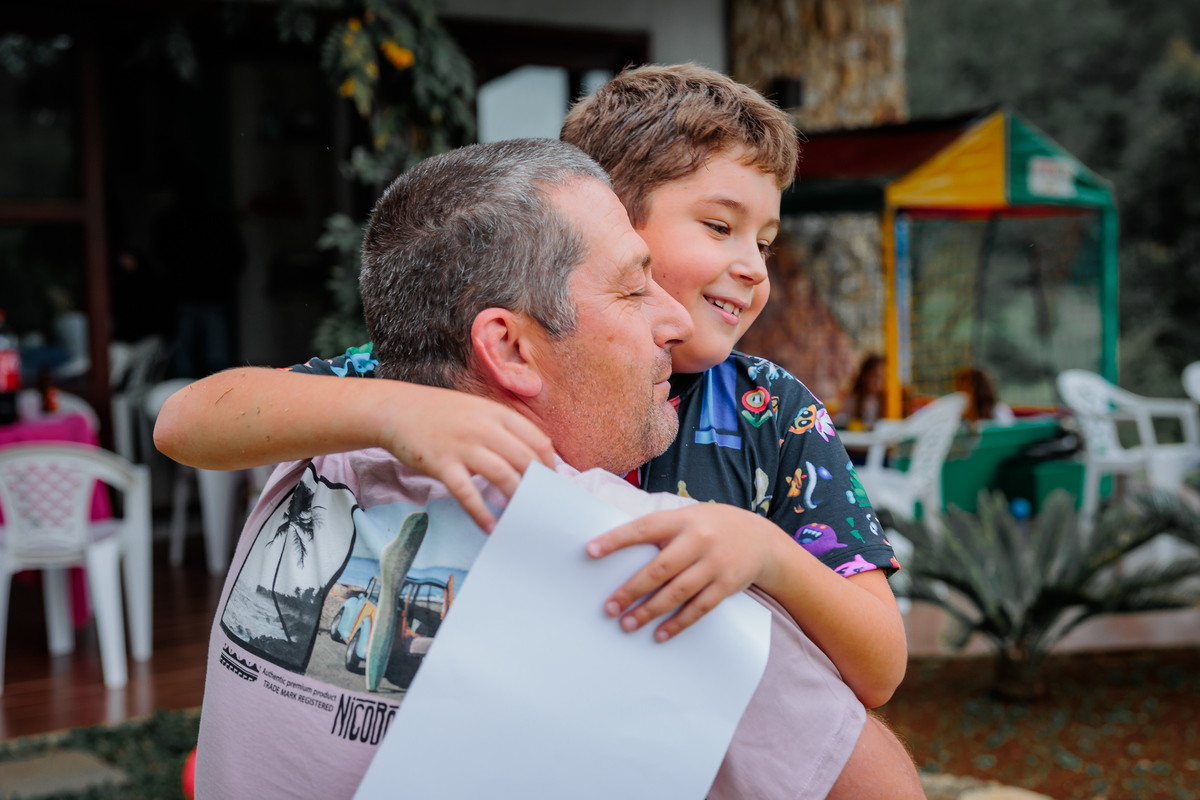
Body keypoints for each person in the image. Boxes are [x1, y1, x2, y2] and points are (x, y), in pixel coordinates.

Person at [181, 140, 922, 800]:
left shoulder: (314, 456)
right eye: (636, 284)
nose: (676, 319)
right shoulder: (645, 567)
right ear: (506, 348)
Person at [835, 354, 886, 432]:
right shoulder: (854, 399)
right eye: (875, 376)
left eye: (882, 377)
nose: (878, 382)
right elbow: (839, 421)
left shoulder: (886, 402)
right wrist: (855, 425)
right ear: (865, 376)